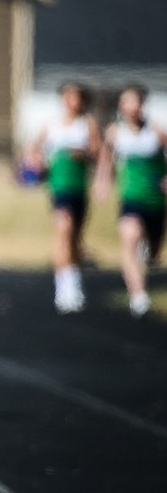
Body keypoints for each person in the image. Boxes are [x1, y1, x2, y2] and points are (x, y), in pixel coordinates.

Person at [25, 82, 100, 313]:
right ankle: (64, 288)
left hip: (79, 187)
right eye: (67, 97)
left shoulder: (87, 124)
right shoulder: (53, 125)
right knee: (63, 231)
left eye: (75, 97)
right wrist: (38, 163)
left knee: (75, 238)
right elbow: (32, 149)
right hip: (59, 187)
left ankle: (74, 282)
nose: (71, 101)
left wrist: (84, 153)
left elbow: (98, 152)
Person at [93, 84, 167, 318]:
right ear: (121, 106)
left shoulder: (155, 131)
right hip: (130, 197)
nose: (131, 107)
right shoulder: (115, 132)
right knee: (130, 235)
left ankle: (149, 250)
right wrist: (102, 182)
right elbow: (106, 159)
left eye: (135, 102)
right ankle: (138, 295)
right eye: (127, 102)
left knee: (154, 253)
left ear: (142, 105)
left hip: (155, 199)